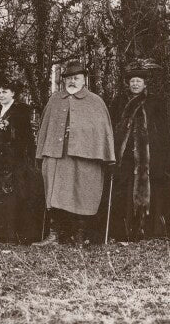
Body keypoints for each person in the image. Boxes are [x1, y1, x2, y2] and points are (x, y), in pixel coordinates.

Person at [33, 60, 115, 246]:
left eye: (76, 78)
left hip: (86, 157)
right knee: (54, 194)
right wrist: (41, 153)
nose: (72, 81)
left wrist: (108, 156)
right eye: (69, 78)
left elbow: (103, 131)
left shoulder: (95, 101)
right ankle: (55, 236)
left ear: (84, 80)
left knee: (82, 194)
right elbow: (45, 127)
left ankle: (79, 236)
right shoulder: (55, 99)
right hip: (56, 155)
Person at [109, 59, 169, 240]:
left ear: (144, 84)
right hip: (126, 152)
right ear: (128, 83)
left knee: (147, 189)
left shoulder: (155, 102)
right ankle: (125, 230)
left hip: (148, 153)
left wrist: (159, 150)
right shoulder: (119, 101)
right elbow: (113, 125)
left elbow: (163, 129)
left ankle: (146, 229)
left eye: (139, 81)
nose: (135, 84)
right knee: (125, 189)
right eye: (132, 81)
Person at [0, 78, 35, 242]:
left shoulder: (21, 111)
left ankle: (12, 235)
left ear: (13, 93)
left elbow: (26, 137)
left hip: (13, 160)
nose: (1, 95)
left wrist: (10, 132)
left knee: (11, 195)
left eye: (4, 92)